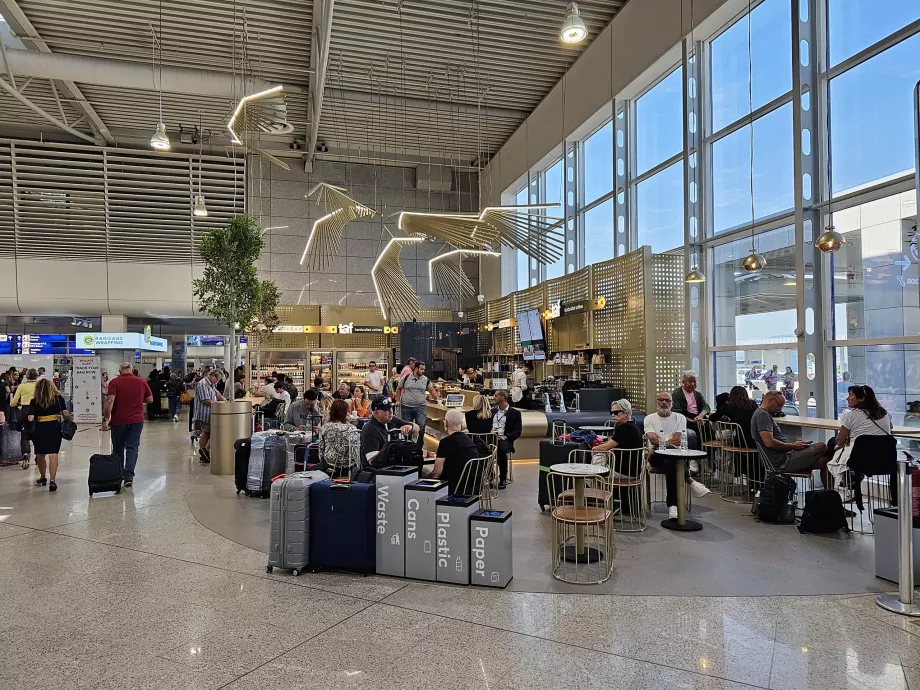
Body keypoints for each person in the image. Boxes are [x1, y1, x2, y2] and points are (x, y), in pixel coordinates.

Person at [640, 394, 711, 519]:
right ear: (656, 403)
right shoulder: (649, 418)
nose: (664, 403)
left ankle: (673, 506)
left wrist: (662, 442)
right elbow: (653, 440)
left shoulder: (680, 418)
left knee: (671, 462)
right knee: (672, 458)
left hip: (672, 456)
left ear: (672, 403)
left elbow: (678, 440)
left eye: (667, 400)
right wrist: (668, 442)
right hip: (656, 455)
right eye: (661, 400)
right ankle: (690, 481)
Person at [752, 391, 830, 486]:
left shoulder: (761, 414)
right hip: (782, 461)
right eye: (779, 405)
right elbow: (769, 442)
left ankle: (829, 494)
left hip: (783, 458)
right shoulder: (762, 415)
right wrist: (793, 446)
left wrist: (794, 446)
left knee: (826, 461)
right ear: (771, 401)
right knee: (822, 446)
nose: (780, 409)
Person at [827, 384, 892, 488]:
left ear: (861, 399)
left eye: (851, 395)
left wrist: (846, 440)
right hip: (883, 460)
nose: (847, 398)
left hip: (860, 460)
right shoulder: (884, 413)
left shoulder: (850, 415)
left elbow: (839, 440)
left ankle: (843, 482)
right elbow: (890, 427)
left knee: (831, 444)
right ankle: (849, 478)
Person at [102, 363, 153, 487]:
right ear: (132, 370)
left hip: (119, 421)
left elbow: (110, 400)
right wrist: (138, 400)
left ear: (120, 371)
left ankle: (118, 475)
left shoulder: (115, 382)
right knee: (132, 448)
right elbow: (150, 399)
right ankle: (129, 476)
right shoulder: (141, 381)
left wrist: (106, 418)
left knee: (118, 449)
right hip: (136, 420)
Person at [27, 378, 73, 492]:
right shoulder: (58, 399)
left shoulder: (34, 401)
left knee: (40, 454)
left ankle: (43, 477)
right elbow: (66, 414)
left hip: (40, 428)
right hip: (54, 427)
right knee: (53, 453)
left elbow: (31, 418)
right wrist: (68, 417)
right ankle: (52, 480)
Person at [432, 408, 482, 494]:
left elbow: (437, 473)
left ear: (446, 423)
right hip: (473, 487)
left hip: (453, 488)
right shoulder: (469, 440)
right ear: (461, 424)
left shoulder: (445, 442)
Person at [359, 396, 418, 467]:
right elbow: (373, 461)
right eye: (387, 410)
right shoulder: (369, 429)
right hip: (376, 472)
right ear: (377, 413)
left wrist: (410, 426)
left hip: (393, 467)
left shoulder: (391, 420)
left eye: (391, 408)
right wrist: (393, 450)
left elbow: (417, 428)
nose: (391, 411)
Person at [595, 398, 644, 478]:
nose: (613, 415)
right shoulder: (632, 426)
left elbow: (604, 448)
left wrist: (594, 449)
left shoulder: (625, 428)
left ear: (626, 413)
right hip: (632, 472)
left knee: (588, 473)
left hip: (621, 473)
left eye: (616, 412)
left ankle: (591, 487)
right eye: (612, 413)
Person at [397, 360, 440, 448]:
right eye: (421, 369)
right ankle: (407, 447)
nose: (423, 371)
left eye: (424, 369)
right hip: (406, 407)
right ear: (416, 368)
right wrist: (398, 400)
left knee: (421, 427)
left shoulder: (426, 380)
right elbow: (398, 389)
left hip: (421, 408)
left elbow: (431, 390)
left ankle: (419, 447)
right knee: (407, 427)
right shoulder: (406, 378)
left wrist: (437, 398)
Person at [319, 399, 361, 478]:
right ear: (345, 412)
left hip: (330, 466)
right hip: (348, 467)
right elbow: (356, 451)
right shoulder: (352, 428)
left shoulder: (325, 427)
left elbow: (321, 450)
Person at [491, 390, 521, 490]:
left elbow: (518, 431)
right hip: (491, 438)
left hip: (505, 439)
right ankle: (489, 475)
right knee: (480, 447)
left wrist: (506, 436)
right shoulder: (492, 412)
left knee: (500, 450)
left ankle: (502, 478)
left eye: (496, 396)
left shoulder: (515, 413)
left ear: (502, 398)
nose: (493, 397)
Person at [193, 370, 225, 463]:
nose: (217, 382)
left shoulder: (211, 384)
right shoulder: (203, 384)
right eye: (217, 379)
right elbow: (205, 400)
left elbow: (216, 393)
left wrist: (225, 401)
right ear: (212, 376)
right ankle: (203, 451)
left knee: (211, 432)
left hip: (211, 412)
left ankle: (205, 452)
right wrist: (218, 405)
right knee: (206, 433)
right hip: (204, 413)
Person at [11, 368, 39, 466]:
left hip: (25, 411)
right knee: (38, 434)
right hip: (38, 411)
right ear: (37, 376)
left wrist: (18, 403)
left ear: (26, 376)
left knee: (25, 435)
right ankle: (38, 456)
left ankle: (26, 454)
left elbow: (13, 402)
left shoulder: (22, 386)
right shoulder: (40, 386)